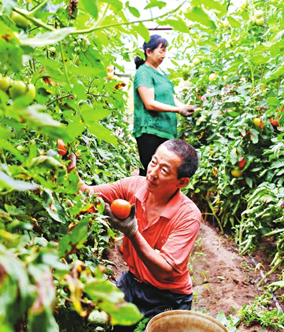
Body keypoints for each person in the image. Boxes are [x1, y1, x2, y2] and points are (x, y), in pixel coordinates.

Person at [77, 139, 201, 331]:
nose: (152, 173)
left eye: (164, 170)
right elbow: (86, 193)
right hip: (133, 282)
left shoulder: (188, 216)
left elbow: (164, 270)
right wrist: (70, 168)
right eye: (153, 162)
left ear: (182, 182)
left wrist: (132, 232)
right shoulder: (134, 186)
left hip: (167, 295)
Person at [133, 34, 197, 176]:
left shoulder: (161, 74)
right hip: (150, 131)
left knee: (162, 174)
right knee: (149, 173)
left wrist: (185, 107)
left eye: (165, 50)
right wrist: (178, 110)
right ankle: (140, 198)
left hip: (165, 131)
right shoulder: (143, 72)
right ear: (148, 52)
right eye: (161, 50)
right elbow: (149, 103)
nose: (164, 55)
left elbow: (171, 98)